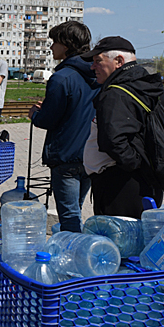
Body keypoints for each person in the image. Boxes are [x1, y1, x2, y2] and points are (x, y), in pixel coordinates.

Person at [82, 36, 164, 218]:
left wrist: (134, 165)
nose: (92, 67)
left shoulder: (116, 93)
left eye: (98, 61)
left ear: (119, 61)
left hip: (120, 187)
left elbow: (113, 140)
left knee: (119, 241)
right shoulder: (150, 86)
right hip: (147, 182)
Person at [29, 21, 98, 232]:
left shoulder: (61, 78)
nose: (51, 47)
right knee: (76, 209)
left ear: (66, 45)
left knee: (68, 216)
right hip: (89, 153)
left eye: (54, 42)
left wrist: (35, 115)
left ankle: (75, 256)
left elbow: (48, 119)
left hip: (65, 155)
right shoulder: (97, 75)